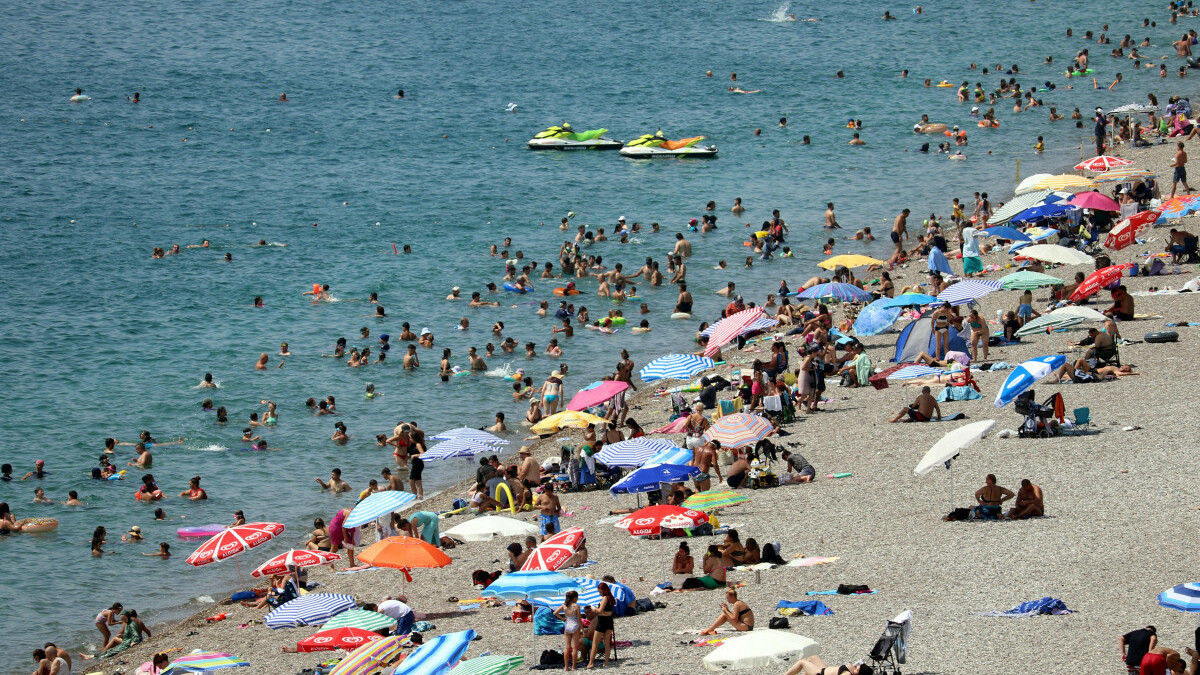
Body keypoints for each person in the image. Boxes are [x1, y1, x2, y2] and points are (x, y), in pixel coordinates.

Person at [586, 583, 617, 667]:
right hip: (609, 620)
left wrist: (593, 608)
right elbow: (607, 610)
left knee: (595, 642)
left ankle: (591, 663)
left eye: (599, 591)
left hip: (602, 620)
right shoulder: (611, 598)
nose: (599, 592)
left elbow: (599, 610)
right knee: (607, 642)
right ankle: (606, 662)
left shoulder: (605, 598)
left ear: (603, 590)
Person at [555, 590, 583, 671]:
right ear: (574, 598)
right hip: (575, 625)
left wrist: (562, 619)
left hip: (567, 625)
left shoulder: (564, 606)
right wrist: (583, 630)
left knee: (567, 647)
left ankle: (566, 667)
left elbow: (555, 613)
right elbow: (579, 619)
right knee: (574, 648)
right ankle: (574, 666)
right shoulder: (576, 606)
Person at [782, 657, 873, 675]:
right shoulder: (852, 670)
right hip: (824, 669)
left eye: (858, 668)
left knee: (802, 662)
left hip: (821, 673)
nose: (857, 666)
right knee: (812, 657)